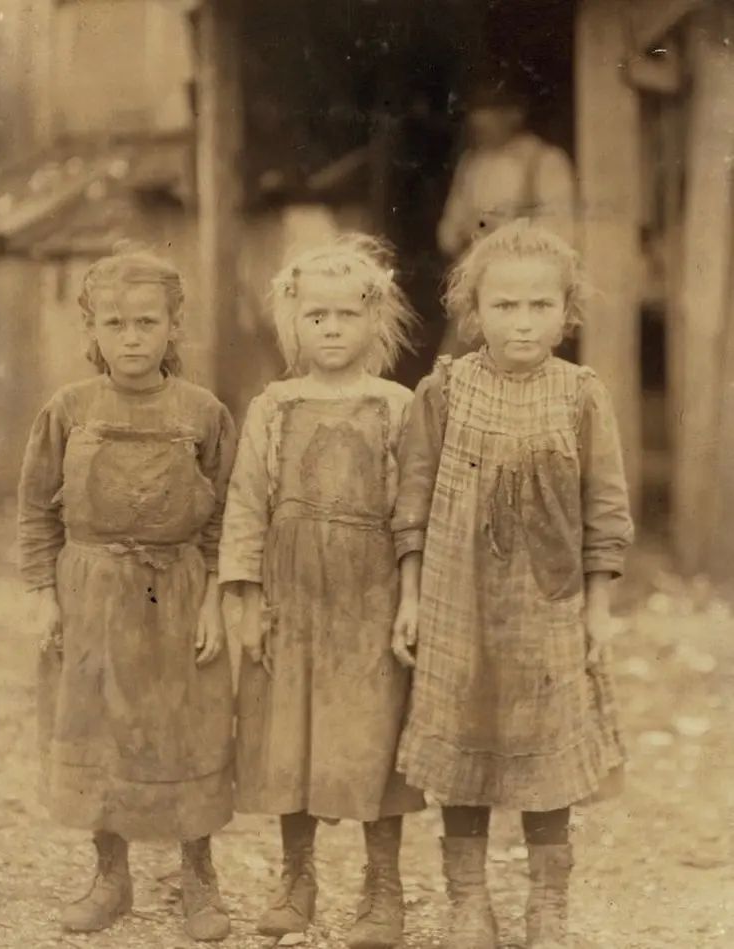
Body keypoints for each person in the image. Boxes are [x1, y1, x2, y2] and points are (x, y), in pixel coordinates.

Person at [391, 221, 634, 949]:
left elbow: (605, 507)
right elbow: (412, 498)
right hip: (453, 599)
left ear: (566, 313)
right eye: (504, 306)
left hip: (548, 605)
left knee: (548, 752)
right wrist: (408, 597)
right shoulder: (444, 391)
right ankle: (468, 903)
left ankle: (545, 907)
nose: (522, 322)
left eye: (538, 306)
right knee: (462, 750)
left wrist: (599, 610)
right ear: (473, 312)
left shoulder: (581, 395)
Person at [17, 248, 237, 942]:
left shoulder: (203, 412)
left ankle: (198, 875)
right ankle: (109, 876)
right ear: (92, 329)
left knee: (187, 726)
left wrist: (213, 603)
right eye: (115, 322)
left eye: (148, 321)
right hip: (92, 591)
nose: (132, 336)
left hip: (178, 590)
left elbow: (229, 515)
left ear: (176, 326)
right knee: (99, 728)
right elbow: (35, 512)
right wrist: (46, 594)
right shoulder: (68, 409)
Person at [218, 234, 425, 949]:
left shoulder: (397, 406)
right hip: (291, 594)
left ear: (375, 321)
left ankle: (382, 885)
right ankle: (296, 877)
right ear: (292, 323)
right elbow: (245, 505)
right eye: (316, 316)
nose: (331, 328)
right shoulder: (272, 407)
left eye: (345, 315)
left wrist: (410, 596)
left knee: (373, 734)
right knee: (290, 735)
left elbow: (411, 514)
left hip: (367, 596)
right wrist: (243, 598)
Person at [436, 77, 577, 358]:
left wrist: (505, 232)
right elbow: (447, 234)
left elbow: (563, 235)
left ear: (515, 114)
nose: (478, 120)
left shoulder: (546, 161)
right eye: (475, 111)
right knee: (457, 376)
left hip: (527, 295)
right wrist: (468, 229)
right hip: (476, 296)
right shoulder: (471, 165)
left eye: (489, 111)